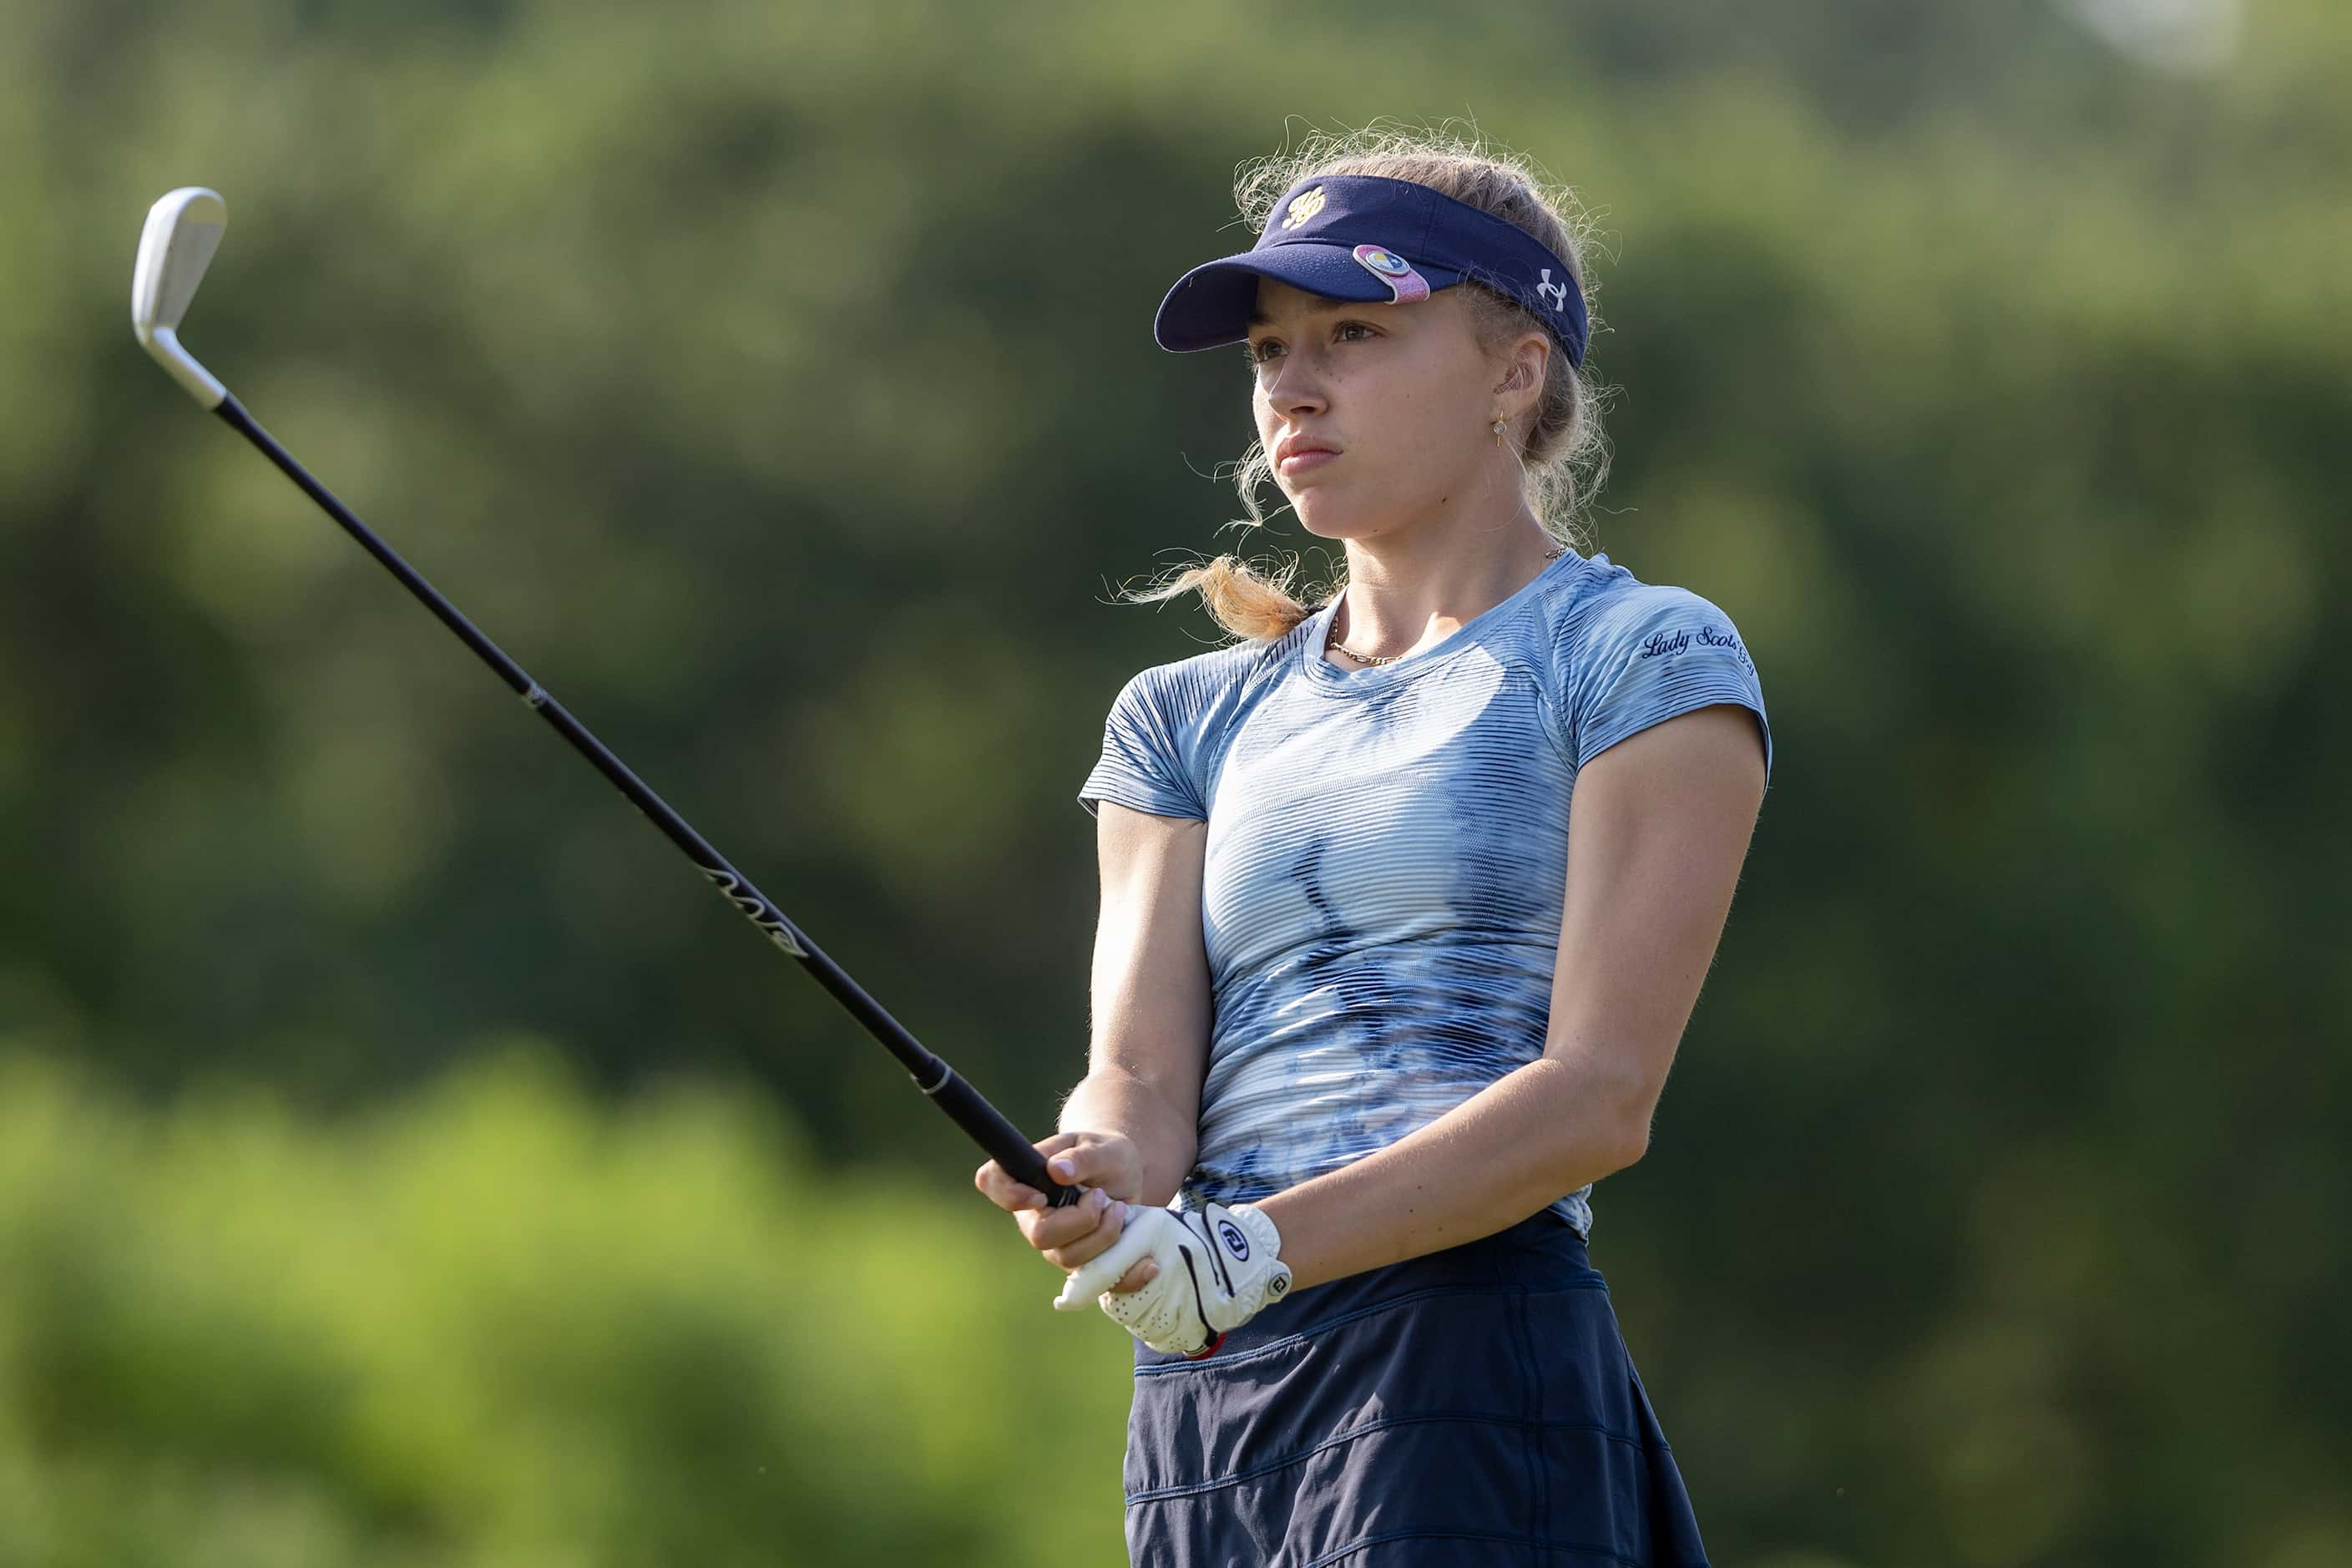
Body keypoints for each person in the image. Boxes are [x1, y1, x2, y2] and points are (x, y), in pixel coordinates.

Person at [974, 127, 1771, 1566]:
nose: (1293, 385)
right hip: (1209, 1396)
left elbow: (1600, 1097)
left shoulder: (1643, 654)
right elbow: (1147, 1071)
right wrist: (1106, 1165)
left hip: (1460, 1360)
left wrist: (1251, 1248)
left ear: (1514, 370)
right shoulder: (1182, 715)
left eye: (1352, 331)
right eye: (1271, 348)